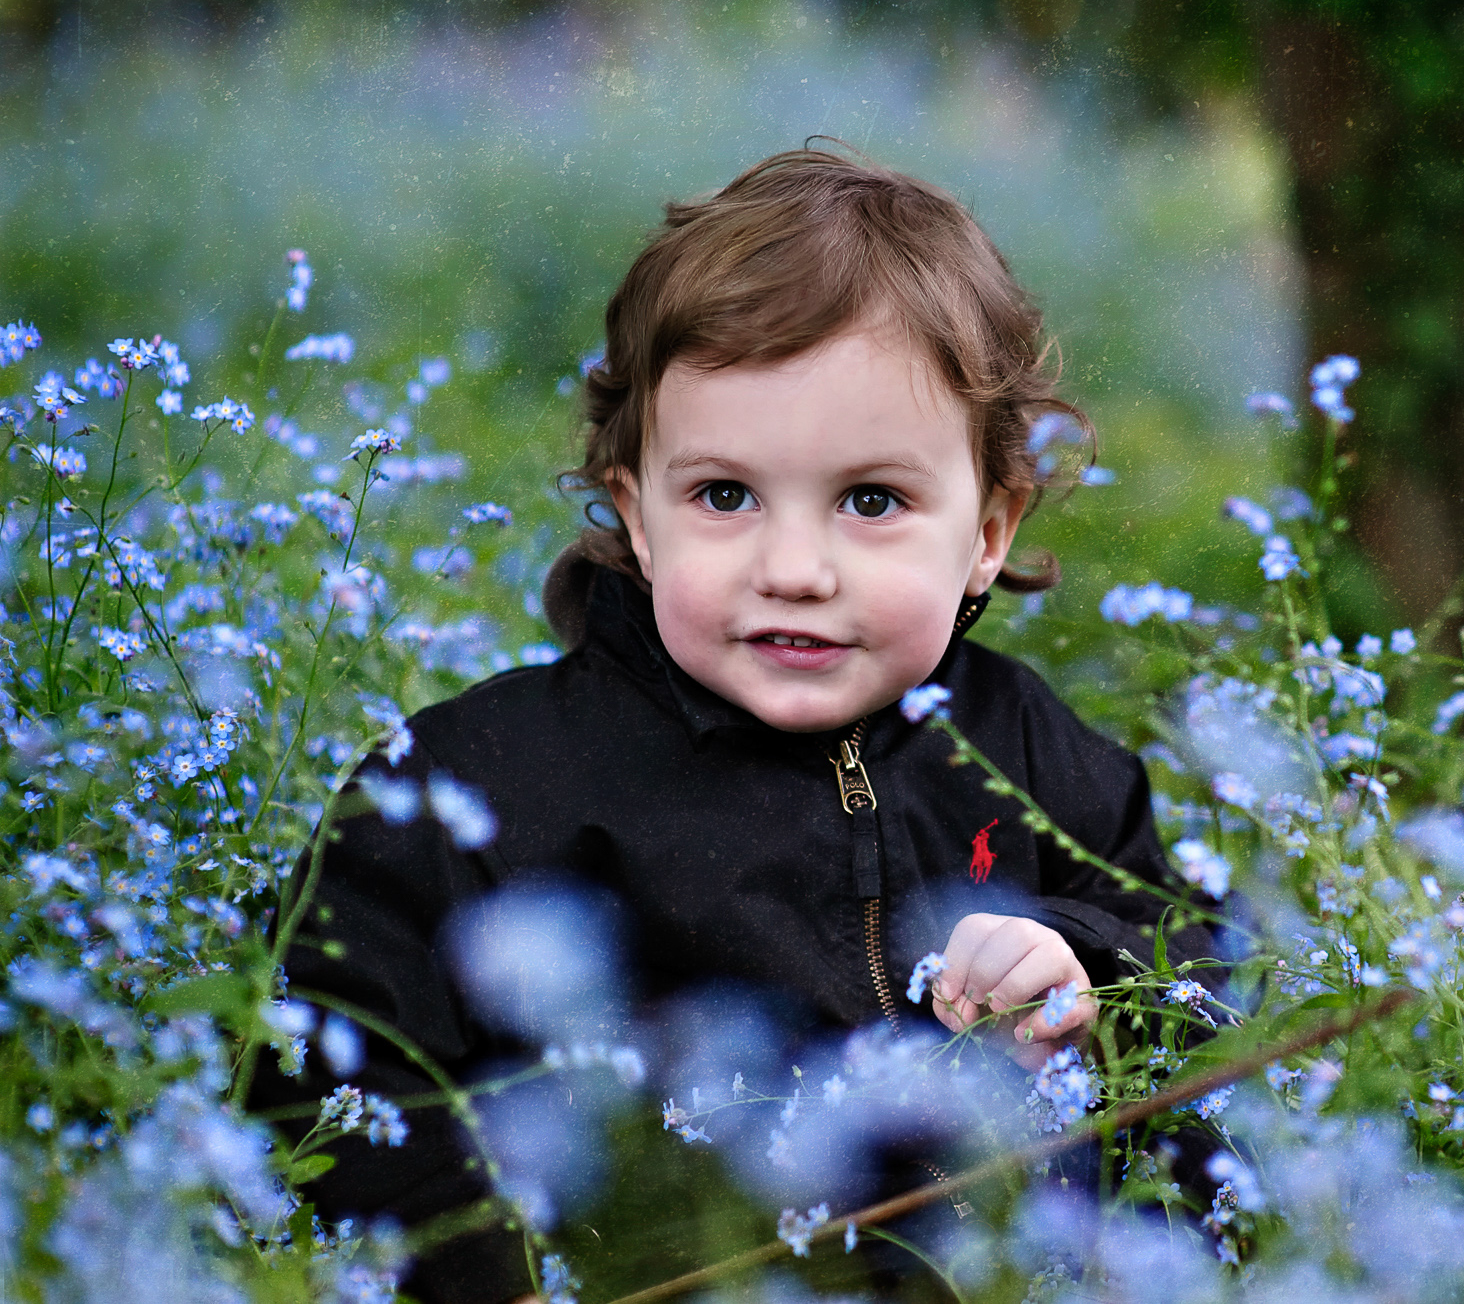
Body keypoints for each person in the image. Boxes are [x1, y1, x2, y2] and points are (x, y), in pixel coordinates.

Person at [253, 147, 1213, 1304]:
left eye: (871, 501)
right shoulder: (476, 789)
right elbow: (324, 1087)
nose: (793, 570)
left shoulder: (1019, 748)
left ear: (989, 533)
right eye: (723, 496)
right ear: (638, 517)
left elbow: (1198, 968)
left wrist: (1083, 968)